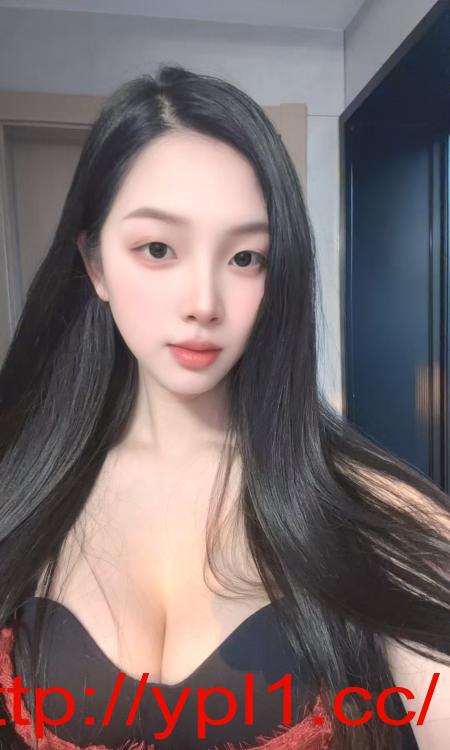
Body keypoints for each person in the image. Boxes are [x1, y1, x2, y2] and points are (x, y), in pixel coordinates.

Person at [0, 65, 448, 750]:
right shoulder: (23, 484)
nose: (204, 302)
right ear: (95, 265)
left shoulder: (371, 509)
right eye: (157, 249)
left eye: (245, 258)